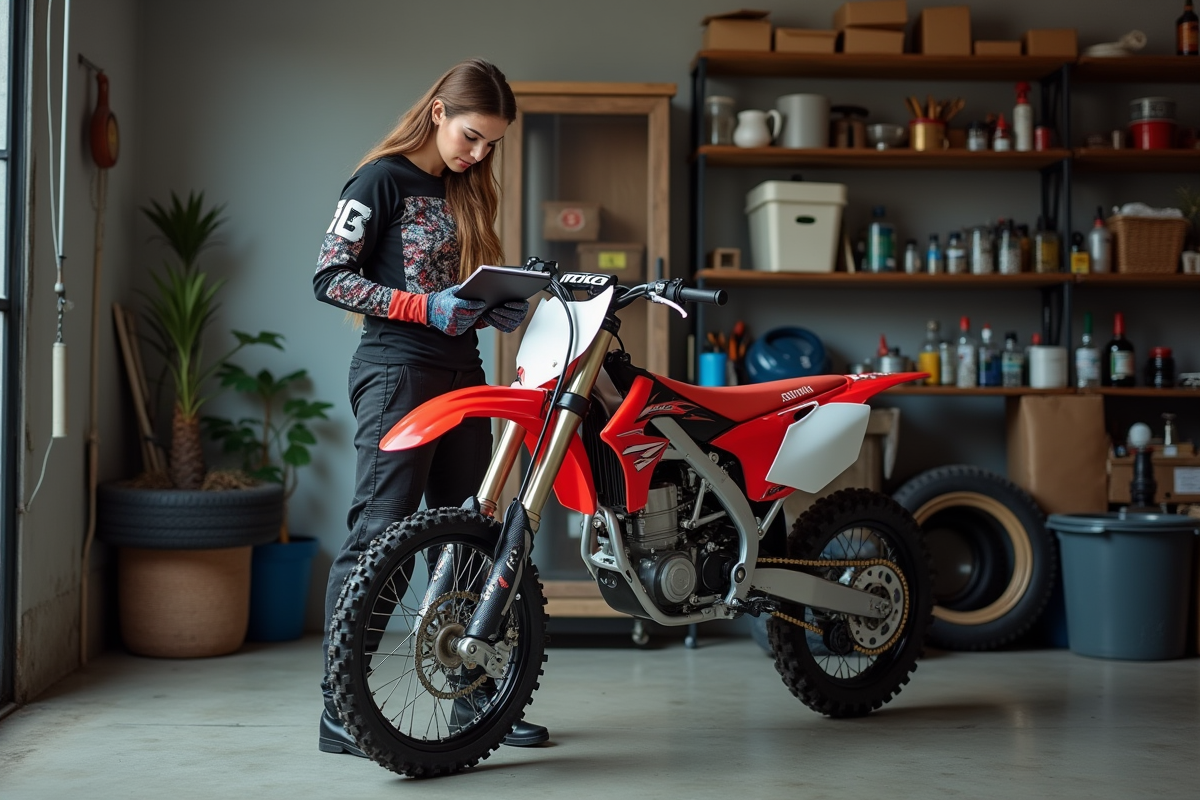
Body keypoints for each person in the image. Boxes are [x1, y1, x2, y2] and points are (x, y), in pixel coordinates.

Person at [312, 58, 548, 757]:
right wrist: (426, 308)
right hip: (397, 374)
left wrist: (490, 307)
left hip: (461, 372)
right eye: (471, 136)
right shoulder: (379, 180)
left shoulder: (464, 188)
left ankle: (472, 699)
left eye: (491, 144)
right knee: (380, 534)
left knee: (471, 531)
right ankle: (340, 707)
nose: (478, 154)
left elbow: (455, 291)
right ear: (439, 112)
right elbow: (329, 277)